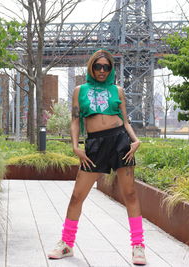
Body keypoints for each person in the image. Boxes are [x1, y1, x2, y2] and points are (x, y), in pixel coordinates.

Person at [47, 49, 146, 265]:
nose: (102, 70)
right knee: (77, 195)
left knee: (129, 193)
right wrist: (75, 147)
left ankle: (138, 246)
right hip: (94, 143)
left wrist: (136, 140)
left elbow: (125, 120)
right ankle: (66, 243)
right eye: (98, 66)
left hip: (120, 141)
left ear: (111, 70)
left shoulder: (117, 90)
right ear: (91, 67)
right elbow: (75, 120)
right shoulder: (79, 90)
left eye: (106, 67)